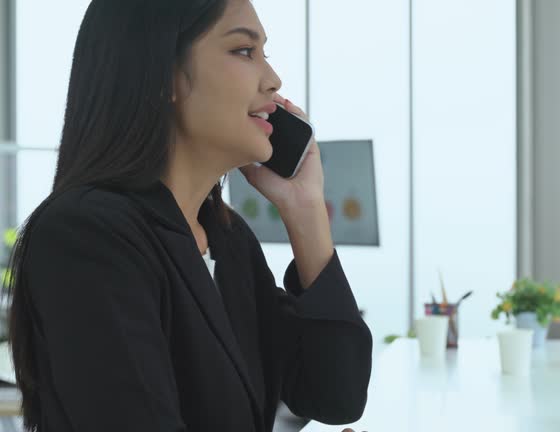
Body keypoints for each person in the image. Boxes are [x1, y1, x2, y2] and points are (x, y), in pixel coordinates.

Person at [2, 1, 372, 431]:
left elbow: (336, 396)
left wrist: (305, 210)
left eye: (264, 54)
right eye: (243, 51)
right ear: (164, 75)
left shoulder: (229, 241)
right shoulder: (87, 235)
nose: (273, 80)